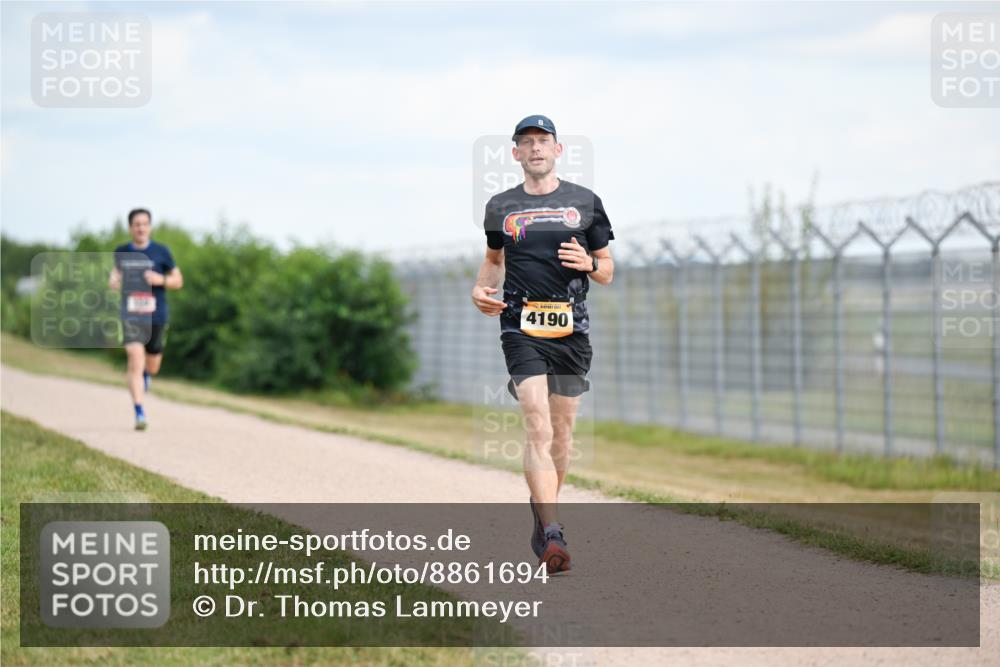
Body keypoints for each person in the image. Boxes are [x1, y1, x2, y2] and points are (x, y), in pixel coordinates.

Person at [472, 115, 615, 573]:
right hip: (520, 325)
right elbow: (494, 259)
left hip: (572, 330)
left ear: (558, 150)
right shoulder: (500, 206)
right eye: (526, 142)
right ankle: (554, 531)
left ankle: (542, 507)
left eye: (543, 141)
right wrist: (481, 289)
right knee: (537, 424)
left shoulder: (585, 202)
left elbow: (608, 268)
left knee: (563, 434)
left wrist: (589, 264)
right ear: (515, 153)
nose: (535, 148)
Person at [108, 208, 183, 430]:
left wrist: (161, 279)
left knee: (153, 364)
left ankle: (147, 376)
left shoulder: (162, 252)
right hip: (131, 314)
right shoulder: (121, 251)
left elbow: (178, 280)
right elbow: (116, 273)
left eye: (144, 223)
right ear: (130, 228)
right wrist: (113, 280)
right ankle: (139, 412)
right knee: (134, 356)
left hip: (156, 315)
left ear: (149, 226)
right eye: (136, 224)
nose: (141, 227)